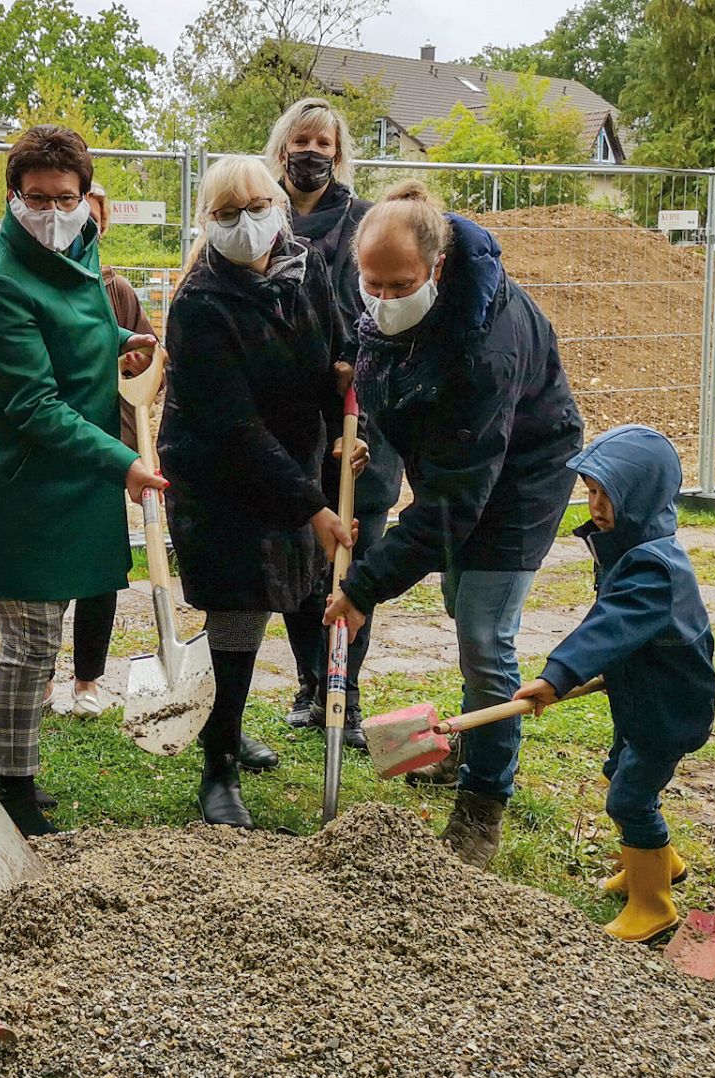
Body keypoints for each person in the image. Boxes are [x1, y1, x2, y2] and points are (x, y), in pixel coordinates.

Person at [323, 181, 583, 869]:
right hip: (465, 467)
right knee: (456, 599)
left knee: (483, 631)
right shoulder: (389, 302)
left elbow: (455, 503)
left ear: (436, 268)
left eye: (398, 283)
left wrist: (365, 585)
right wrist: (367, 433)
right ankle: (473, 744)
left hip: (521, 477)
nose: (380, 297)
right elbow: (387, 374)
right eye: (369, 282)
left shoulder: (487, 346)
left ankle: (482, 805)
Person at [0, 125, 163, 836]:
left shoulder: (79, 248)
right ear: (13, 197)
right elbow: (34, 404)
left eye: (63, 198)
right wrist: (124, 462)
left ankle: (11, 772)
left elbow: (80, 335)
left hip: (66, 475)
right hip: (18, 483)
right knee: (33, 639)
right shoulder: (1, 286)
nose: (49, 211)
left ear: (85, 198)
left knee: (43, 629)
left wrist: (119, 349)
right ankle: (8, 784)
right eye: (34, 198)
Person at [159, 156, 351, 828]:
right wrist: (313, 504)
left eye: (257, 207)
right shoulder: (199, 302)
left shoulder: (307, 265)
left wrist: (349, 395)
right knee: (239, 608)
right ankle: (218, 764)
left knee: (281, 590)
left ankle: (229, 723)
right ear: (207, 222)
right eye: (227, 213)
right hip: (219, 473)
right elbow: (234, 427)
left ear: (279, 206)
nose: (247, 224)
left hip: (291, 462)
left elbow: (332, 348)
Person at [512, 425, 715, 942]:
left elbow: (610, 626)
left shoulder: (653, 567)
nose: (596, 504)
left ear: (642, 495)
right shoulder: (632, 547)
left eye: (607, 494)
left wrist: (556, 676)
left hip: (667, 706)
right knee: (619, 769)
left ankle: (653, 905)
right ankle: (656, 861)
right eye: (592, 491)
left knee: (629, 797)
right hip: (640, 692)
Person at [265, 98, 404, 744]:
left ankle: (343, 688)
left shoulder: (363, 222)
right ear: (283, 146)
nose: (312, 152)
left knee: (357, 548)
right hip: (292, 414)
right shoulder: (263, 215)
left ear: (337, 151)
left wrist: (354, 360)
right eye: (303, 140)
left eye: (324, 142)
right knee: (300, 554)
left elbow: (382, 303)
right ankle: (308, 681)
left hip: (358, 411)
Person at [50, 183, 159, 719]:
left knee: (99, 562)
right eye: (70, 214)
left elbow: (146, 357)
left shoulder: (115, 291)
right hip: (53, 443)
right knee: (48, 565)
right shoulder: (31, 285)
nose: (77, 226)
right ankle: (40, 673)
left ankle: (87, 678)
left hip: (109, 444)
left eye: (89, 219)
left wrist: (138, 362)